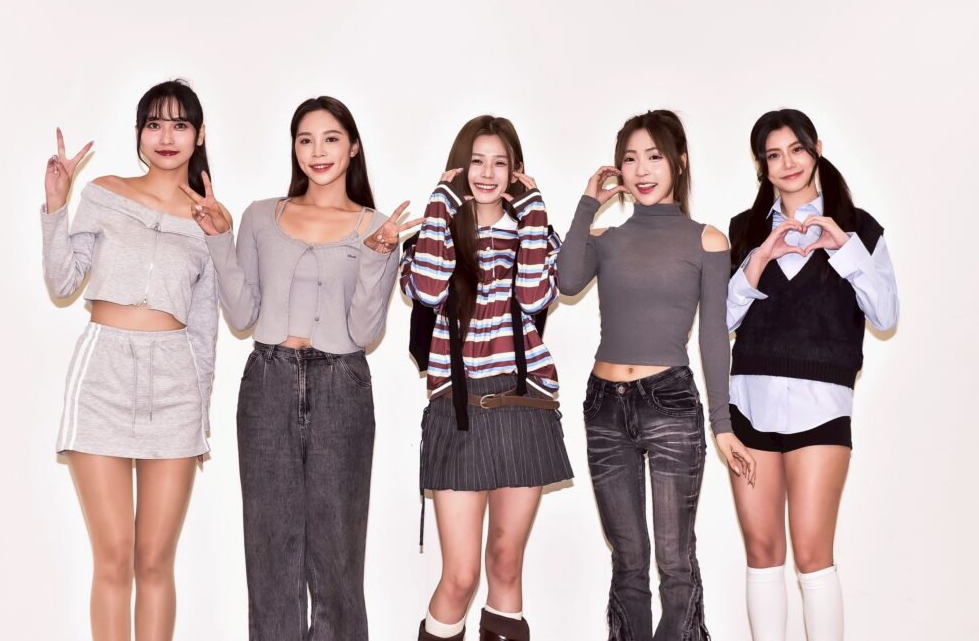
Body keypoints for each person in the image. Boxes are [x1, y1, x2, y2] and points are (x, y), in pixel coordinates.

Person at [182, 96, 416, 640]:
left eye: (331, 138)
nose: (318, 151)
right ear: (294, 148)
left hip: (342, 385)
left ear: (353, 147)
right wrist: (218, 238)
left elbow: (365, 332)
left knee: (338, 555)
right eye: (305, 139)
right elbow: (242, 315)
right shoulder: (260, 216)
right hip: (267, 382)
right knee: (270, 552)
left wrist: (379, 254)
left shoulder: (377, 227)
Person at [557, 110, 755, 640]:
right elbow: (567, 281)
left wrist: (723, 425)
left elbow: (712, 336)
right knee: (627, 559)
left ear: (679, 163)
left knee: (674, 558)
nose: (641, 170)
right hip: (604, 406)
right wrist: (587, 203)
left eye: (654, 157)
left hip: (670, 403)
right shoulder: (605, 237)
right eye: (630, 159)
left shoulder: (707, 240)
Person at [41, 79, 218, 640]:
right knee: (114, 556)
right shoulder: (104, 192)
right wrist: (57, 206)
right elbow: (63, 281)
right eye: (154, 124)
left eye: (180, 125)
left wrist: (200, 414)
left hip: (175, 385)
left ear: (199, 135)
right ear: (139, 133)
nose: (166, 137)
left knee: (155, 561)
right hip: (104, 375)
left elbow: (206, 328)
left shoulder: (210, 219)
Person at [726, 108, 898, 640]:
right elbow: (720, 322)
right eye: (774, 155)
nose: (788, 163)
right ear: (762, 166)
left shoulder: (859, 227)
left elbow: (886, 315)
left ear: (816, 148)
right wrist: (759, 259)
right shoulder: (744, 229)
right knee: (762, 552)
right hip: (749, 405)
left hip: (822, 408)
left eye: (797, 149)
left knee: (811, 554)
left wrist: (843, 248)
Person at [402, 115, 572, 641]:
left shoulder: (536, 234)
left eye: (501, 162)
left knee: (505, 563)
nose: (488, 173)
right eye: (476, 161)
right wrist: (440, 202)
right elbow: (428, 289)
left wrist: (535, 211)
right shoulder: (435, 233)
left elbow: (533, 297)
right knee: (460, 576)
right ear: (458, 168)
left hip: (523, 401)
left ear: (516, 172)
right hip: (457, 406)